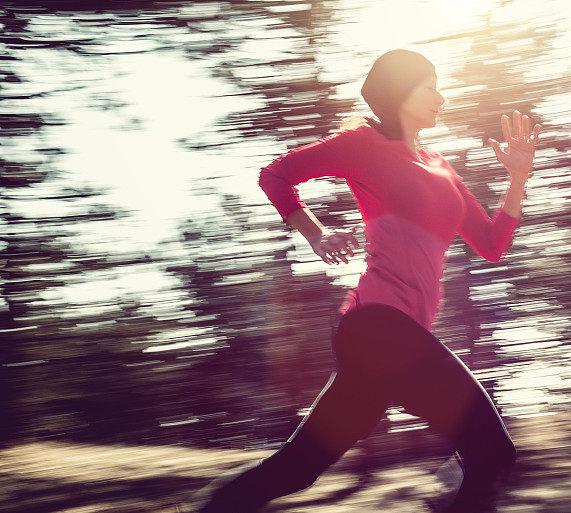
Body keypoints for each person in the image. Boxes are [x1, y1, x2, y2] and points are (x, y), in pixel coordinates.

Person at [182, 48, 541, 513]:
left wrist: (518, 179)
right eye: (430, 85)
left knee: (298, 468)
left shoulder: (441, 167)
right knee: (492, 451)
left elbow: (492, 244)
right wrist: (317, 234)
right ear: (399, 90)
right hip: (378, 328)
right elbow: (277, 176)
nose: (441, 96)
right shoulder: (363, 145)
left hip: (394, 339)